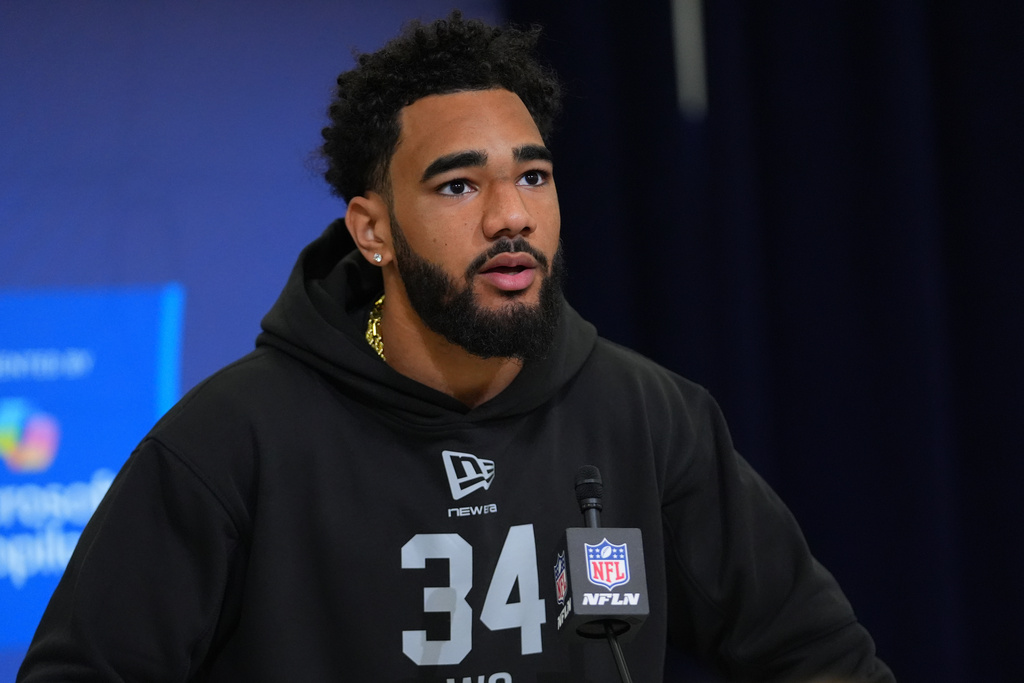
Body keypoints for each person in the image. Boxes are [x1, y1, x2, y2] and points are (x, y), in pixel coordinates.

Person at [18, 11, 894, 683]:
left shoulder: (649, 417)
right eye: (459, 182)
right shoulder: (230, 443)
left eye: (533, 175)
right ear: (373, 230)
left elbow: (818, 654)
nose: (510, 214)